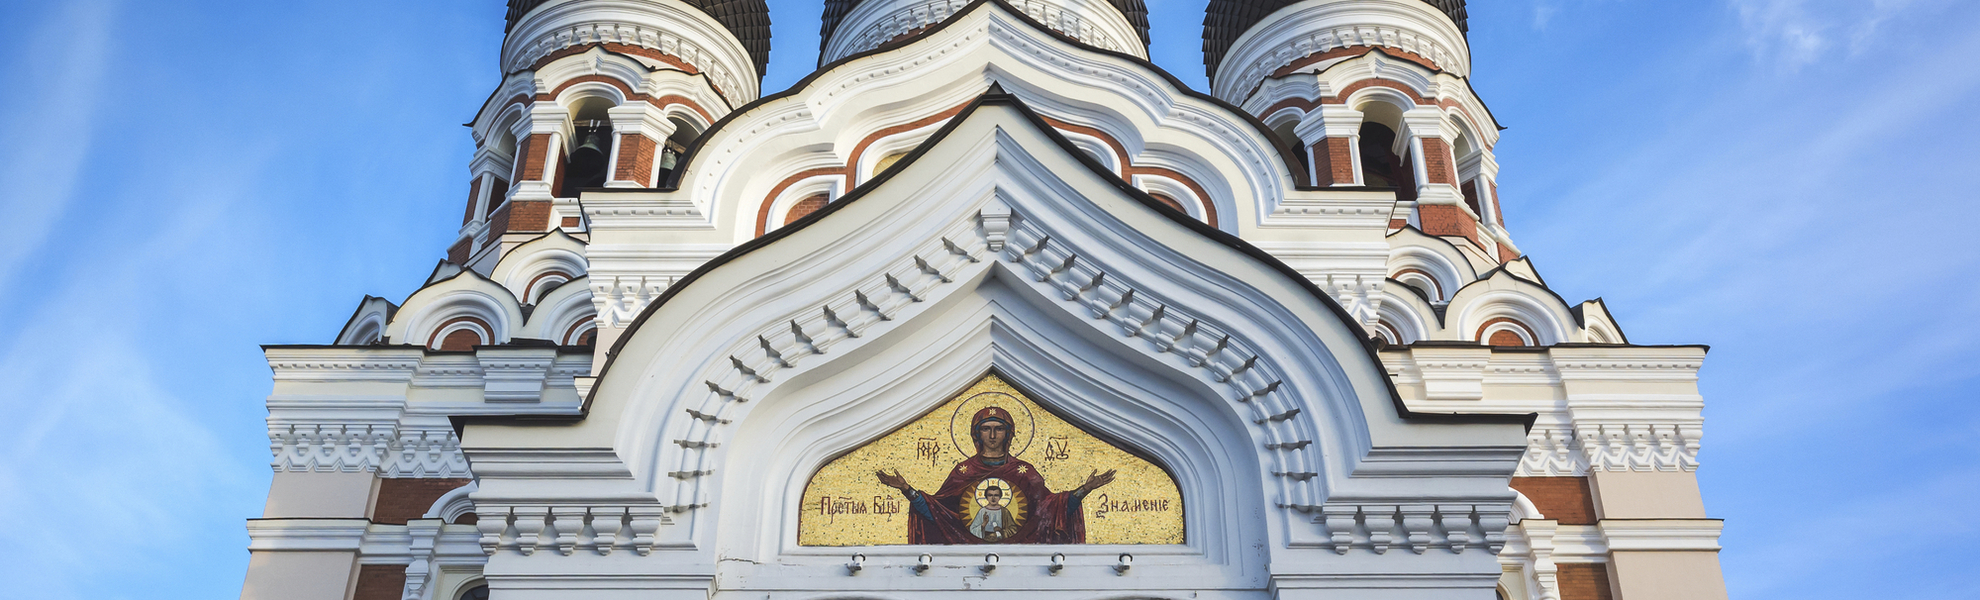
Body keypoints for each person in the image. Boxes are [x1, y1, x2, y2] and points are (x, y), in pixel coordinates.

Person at [876, 405, 1115, 544]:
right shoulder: (963, 472)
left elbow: (1051, 510)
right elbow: (940, 513)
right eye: (986, 429)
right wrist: (906, 489)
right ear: (976, 434)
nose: (992, 436)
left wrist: (1085, 489)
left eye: (999, 429)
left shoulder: (1025, 473)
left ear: (1008, 434)